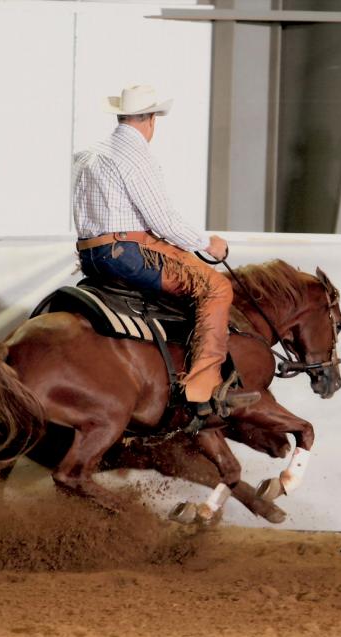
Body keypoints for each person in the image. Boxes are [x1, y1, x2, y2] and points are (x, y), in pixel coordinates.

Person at [72, 84, 260, 417]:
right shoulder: (136, 158)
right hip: (128, 253)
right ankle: (203, 390)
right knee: (216, 288)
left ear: (121, 115)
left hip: (91, 256)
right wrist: (207, 244)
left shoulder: (88, 154)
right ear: (151, 120)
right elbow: (164, 221)